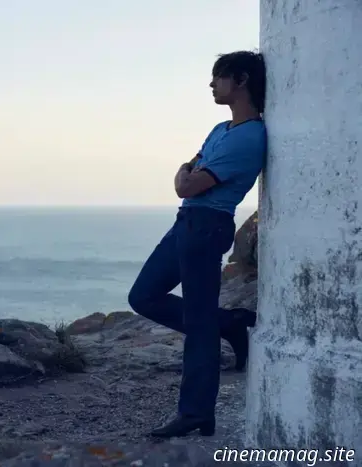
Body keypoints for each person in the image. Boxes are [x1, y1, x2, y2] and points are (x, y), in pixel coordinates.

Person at [128, 51, 267, 438]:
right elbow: (189, 172)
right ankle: (232, 322)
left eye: (217, 77)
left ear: (239, 80)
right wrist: (187, 172)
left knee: (198, 324)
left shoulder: (250, 136)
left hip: (207, 226)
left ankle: (196, 413)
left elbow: (187, 180)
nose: (211, 84)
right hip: (186, 222)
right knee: (143, 296)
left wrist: (185, 171)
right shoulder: (220, 129)